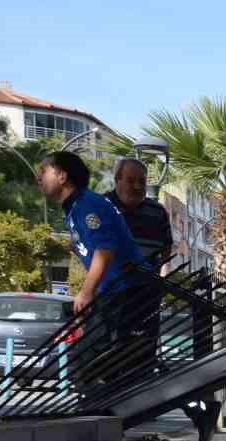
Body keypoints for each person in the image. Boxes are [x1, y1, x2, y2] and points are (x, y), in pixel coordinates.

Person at [34, 150, 149, 388]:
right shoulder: (76, 206)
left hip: (127, 289)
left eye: (44, 172)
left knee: (89, 358)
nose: (39, 178)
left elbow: (105, 250)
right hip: (119, 289)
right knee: (106, 358)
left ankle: (96, 411)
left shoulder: (86, 204)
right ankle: (103, 407)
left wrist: (87, 292)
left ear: (62, 176)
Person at [108, 158, 173, 266]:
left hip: (147, 280)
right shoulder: (101, 206)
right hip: (109, 281)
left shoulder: (158, 212)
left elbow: (167, 248)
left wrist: (154, 272)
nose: (137, 186)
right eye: (130, 181)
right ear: (117, 180)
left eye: (142, 181)